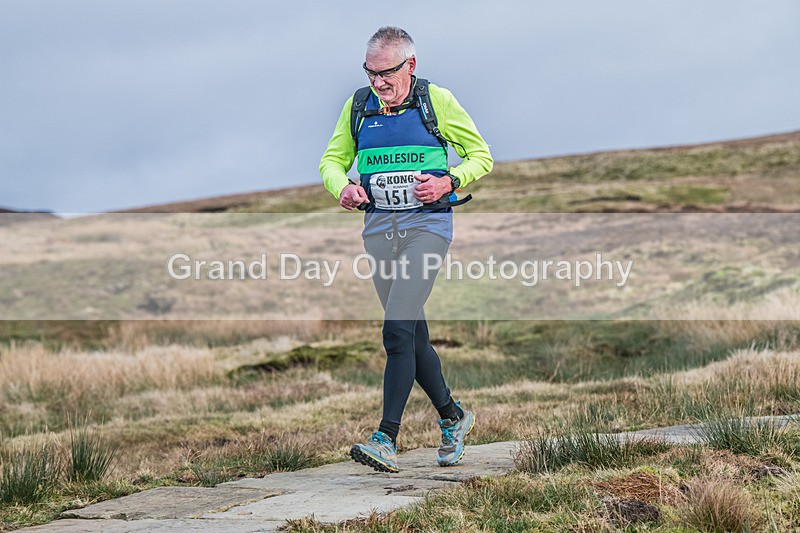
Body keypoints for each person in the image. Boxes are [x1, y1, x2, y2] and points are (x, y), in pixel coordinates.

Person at [319, 26, 493, 472]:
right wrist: (342, 187)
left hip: (427, 228)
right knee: (412, 336)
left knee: (395, 332)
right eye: (370, 72)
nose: (377, 81)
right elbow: (331, 161)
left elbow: (480, 155)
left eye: (386, 72)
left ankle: (386, 438)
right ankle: (453, 417)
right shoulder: (358, 107)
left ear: (410, 66)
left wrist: (449, 180)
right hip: (379, 232)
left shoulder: (437, 102)